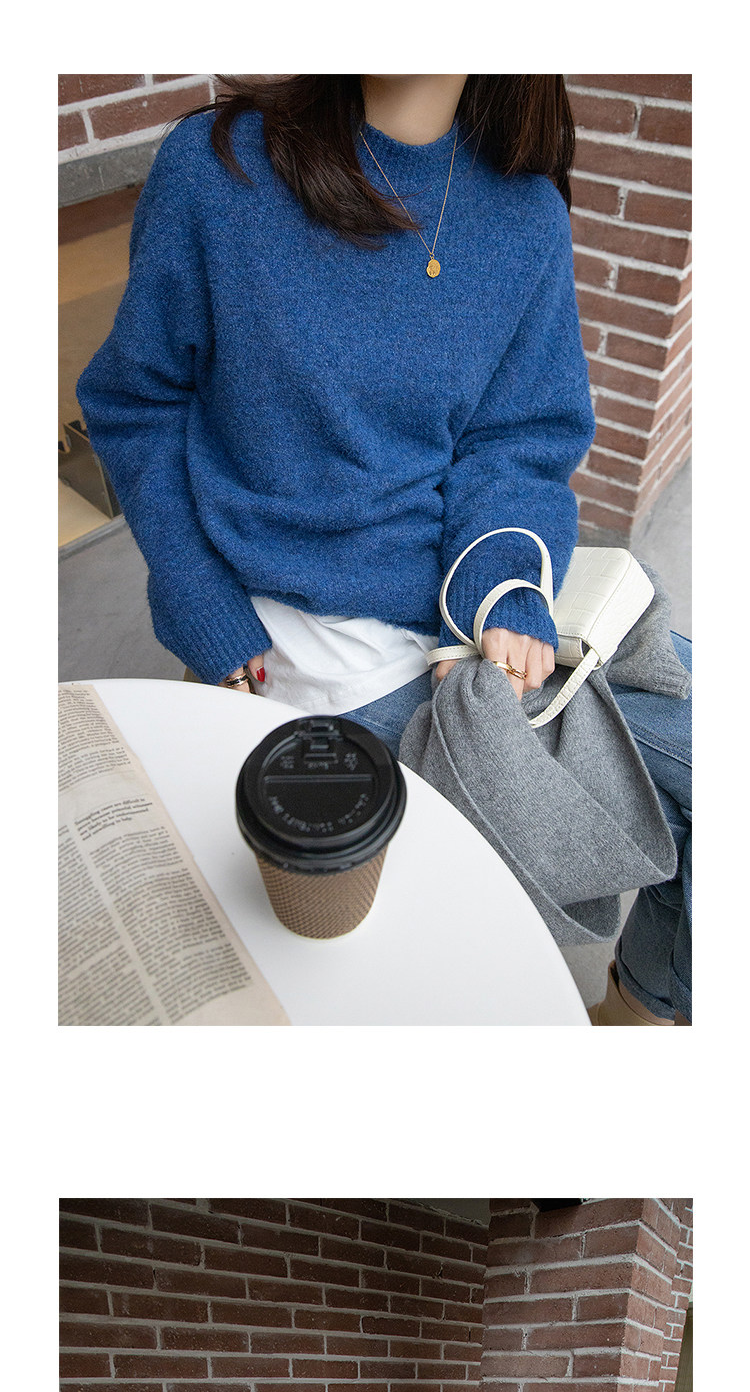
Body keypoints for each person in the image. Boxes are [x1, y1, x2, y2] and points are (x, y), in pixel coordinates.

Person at [76, 73, 691, 1024]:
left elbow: (518, 439)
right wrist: (198, 594)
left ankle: (640, 1013)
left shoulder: (525, 214)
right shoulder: (218, 169)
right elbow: (136, 401)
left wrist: (502, 587)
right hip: (308, 635)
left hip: (463, 610)